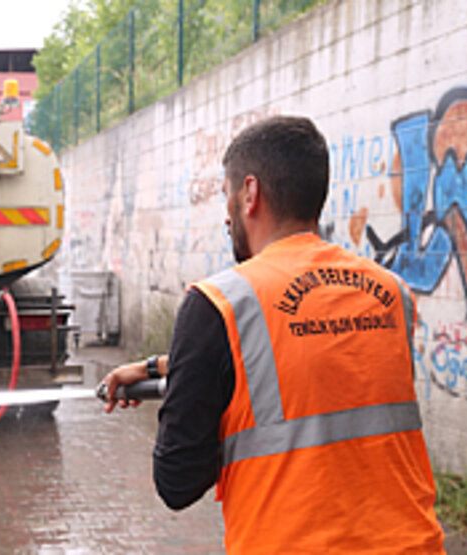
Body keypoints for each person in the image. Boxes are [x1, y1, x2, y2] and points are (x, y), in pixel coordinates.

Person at [101, 116, 444, 552]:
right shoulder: (390, 293)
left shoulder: (218, 302)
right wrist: (161, 368)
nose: (226, 215)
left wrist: (191, 394)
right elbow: (316, 349)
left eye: (226, 194)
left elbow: (178, 482)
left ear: (249, 194)